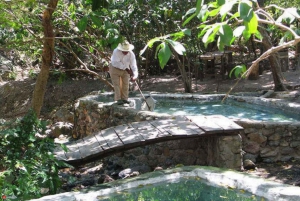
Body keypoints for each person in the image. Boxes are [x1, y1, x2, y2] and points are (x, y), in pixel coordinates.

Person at [109, 40, 138, 105]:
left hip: (126, 69)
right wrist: (127, 69)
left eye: (126, 51)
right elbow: (115, 63)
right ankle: (118, 99)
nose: (125, 52)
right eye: (124, 51)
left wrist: (135, 75)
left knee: (126, 84)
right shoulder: (116, 52)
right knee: (117, 84)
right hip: (115, 68)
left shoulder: (131, 54)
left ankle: (125, 99)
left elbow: (133, 65)